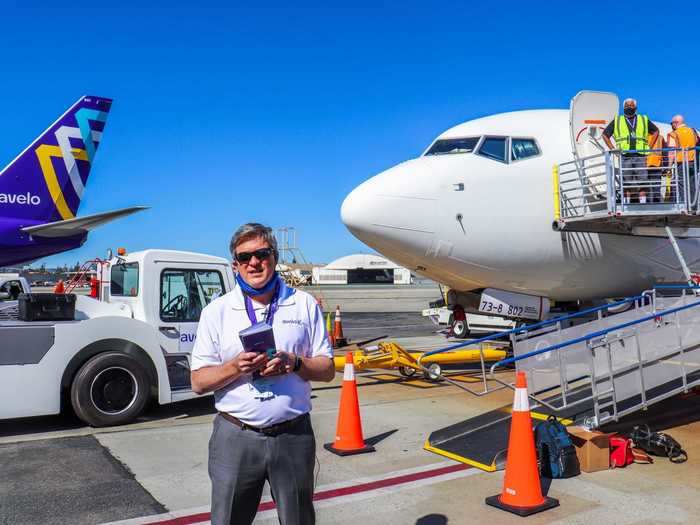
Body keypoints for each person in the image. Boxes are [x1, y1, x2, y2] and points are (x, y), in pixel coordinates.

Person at [190, 223, 335, 525]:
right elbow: (198, 382)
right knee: (228, 519)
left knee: (298, 520)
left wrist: (294, 363)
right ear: (235, 265)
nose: (253, 263)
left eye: (261, 254)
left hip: (292, 435)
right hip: (236, 436)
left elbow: (328, 370)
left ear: (275, 256)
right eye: (245, 258)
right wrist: (234, 367)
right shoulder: (216, 311)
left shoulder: (303, 304)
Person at [602, 98, 659, 204]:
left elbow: (656, 131)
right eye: (627, 106)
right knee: (626, 182)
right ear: (623, 108)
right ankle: (626, 204)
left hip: (640, 154)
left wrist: (649, 147)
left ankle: (643, 204)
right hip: (625, 155)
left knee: (642, 182)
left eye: (631, 105)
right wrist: (612, 149)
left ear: (635, 107)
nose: (629, 107)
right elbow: (605, 135)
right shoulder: (618, 120)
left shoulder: (643, 119)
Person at [667, 115, 700, 205]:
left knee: (682, 184)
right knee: (692, 184)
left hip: (681, 163)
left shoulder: (674, 134)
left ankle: (685, 206)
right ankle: (694, 206)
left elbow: (671, 152)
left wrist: (669, 167)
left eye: (672, 123)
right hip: (693, 162)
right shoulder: (693, 131)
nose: (671, 125)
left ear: (676, 123)